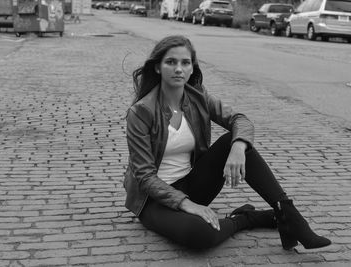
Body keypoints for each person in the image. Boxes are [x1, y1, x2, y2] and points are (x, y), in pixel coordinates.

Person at [123, 35, 331, 250]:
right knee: (200, 234)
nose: (179, 69)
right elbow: (145, 175)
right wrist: (187, 204)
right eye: (171, 62)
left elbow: (239, 120)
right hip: (153, 200)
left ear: (192, 68)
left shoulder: (198, 97)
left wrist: (239, 147)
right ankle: (245, 219)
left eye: (185, 63)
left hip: (193, 184)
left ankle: (288, 215)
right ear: (157, 67)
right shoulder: (141, 112)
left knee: (235, 140)